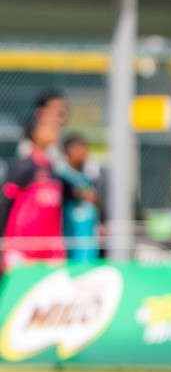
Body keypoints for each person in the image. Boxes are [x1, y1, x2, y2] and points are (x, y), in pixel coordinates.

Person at [0, 98, 67, 271]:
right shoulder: (23, 166)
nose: (54, 130)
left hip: (48, 249)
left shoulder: (53, 169)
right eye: (47, 127)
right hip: (22, 247)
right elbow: (5, 202)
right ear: (35, 133)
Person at [56, 134, 101, 262]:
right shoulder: (61, 175)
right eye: (78, 149)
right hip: (70, 231)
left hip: (89, 233)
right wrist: (80, 194)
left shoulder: (90, 176)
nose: (82, 152)